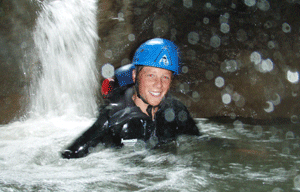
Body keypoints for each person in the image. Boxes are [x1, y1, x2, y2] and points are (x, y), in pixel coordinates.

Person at [61, 38, 200, 159]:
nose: (159, 84)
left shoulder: (177, 110)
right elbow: (70, 156)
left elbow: (200, 143)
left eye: (165, 77)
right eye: (151, 75)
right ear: (134, 75)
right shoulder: (113, 120)